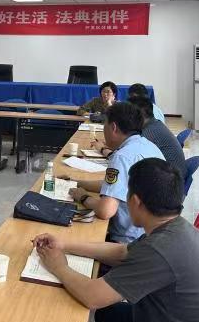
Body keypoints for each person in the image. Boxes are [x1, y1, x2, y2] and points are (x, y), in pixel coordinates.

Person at [32, 158, 199, 322]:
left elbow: (92, 297)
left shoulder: (160, 249)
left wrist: (58, 266)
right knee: (107, 314)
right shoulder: (175, 227)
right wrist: (64, 244)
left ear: (135, 201)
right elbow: (122, 252)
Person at [63, 102, 164, 243]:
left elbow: (105, 211)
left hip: (128, 241)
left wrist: (83, 197)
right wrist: (77, 182)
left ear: (113, 127)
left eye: (104, 124)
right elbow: (117, 186)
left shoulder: (121, 156)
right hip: (152, 236)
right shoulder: (148, 146)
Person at [129, 94, 186, 179]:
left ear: (140, 115)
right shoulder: (155, 124)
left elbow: (130, 156)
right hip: (172, 176)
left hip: (169, 181)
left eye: (129, 114)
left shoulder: (149, 132)